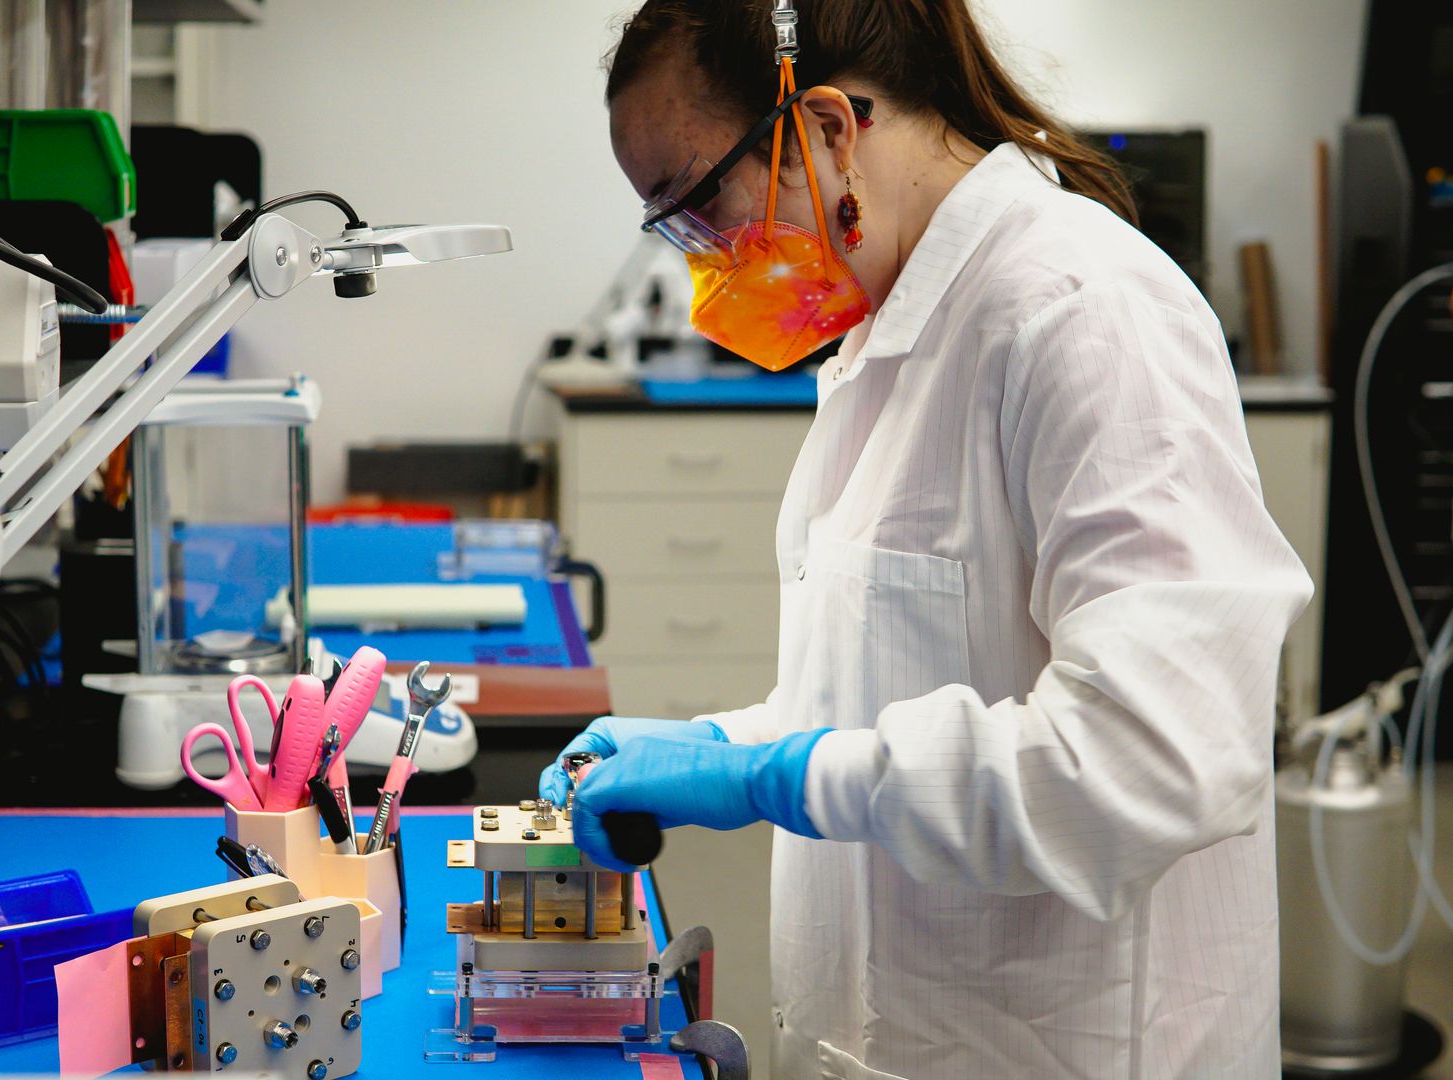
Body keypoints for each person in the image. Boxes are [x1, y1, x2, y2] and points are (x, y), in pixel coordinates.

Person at [543, 2, 1314, 1077]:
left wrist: (774, 775)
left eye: (698, 204)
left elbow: (1149, 759)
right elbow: (885, 696)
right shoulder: (881, 335)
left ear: (824, 127)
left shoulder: (1083, 311)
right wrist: (726, 743)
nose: (706, 260)